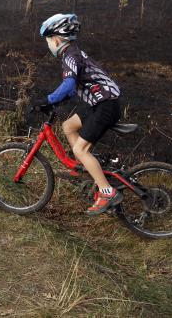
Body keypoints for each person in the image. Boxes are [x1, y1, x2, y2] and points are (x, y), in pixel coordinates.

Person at [33, 13, 124, 215]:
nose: (48, 44)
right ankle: (82, 169)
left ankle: (107, 192)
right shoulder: (72, 53)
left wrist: (48, 100)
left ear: (56, 39)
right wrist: (56, 101)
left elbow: (68, 85)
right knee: (68, 126)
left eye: (48, 40)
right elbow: (73, 90)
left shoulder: (70, 56)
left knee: (81, 150)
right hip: (100, 103)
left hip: (105, 106)